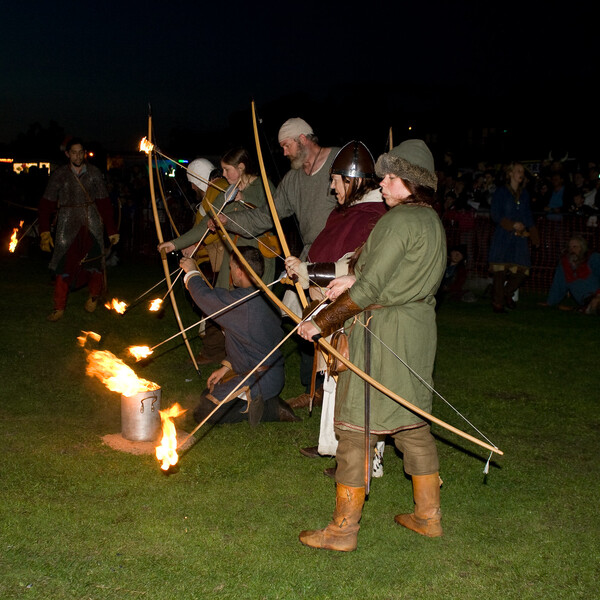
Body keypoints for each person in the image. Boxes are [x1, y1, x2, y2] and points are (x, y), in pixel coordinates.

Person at [296, 139, 446, 552]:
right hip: (416, 330)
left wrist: (320, 324)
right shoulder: (430, 221)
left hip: (384, 334)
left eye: (392, 177)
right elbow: (383, 274)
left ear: (411, 183)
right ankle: (427, 517)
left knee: (356, 428)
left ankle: (343, 531)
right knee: (413, 425)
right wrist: (349, 279)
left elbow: (374, 287)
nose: (383, 183)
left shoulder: (398, 221)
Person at [212, 118, 340, 402]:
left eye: (287, 145)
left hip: (343, 257)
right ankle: (314, 389)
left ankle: (336, 390)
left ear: (304, 139)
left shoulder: (340, 161)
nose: (284, 152)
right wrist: (227, 219)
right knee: (307, 320)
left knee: (339, 328)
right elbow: (265, 216)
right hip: (312, 259)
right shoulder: (293, 180)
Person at [284, 140, 387, 475]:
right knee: (334, 380)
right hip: (337, 309)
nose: (331, 187)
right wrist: (303, 267)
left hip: (363, 313)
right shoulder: (345, 213)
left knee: (358, 384)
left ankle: (366, 461)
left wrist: (307, 271)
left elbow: (355, 268)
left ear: (353, 180)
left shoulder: (376, 217)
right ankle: (333, 445)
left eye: (336, 180)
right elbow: (327, 255)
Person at [159, 149, 277, 363]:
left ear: (241, 167)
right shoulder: (228, 191)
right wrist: (174, 243)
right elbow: (206, 223)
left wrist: (243, 201)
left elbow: (268, 216)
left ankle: (256, 360)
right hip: (233, 257)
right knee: (222, 305)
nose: (222, 174)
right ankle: (231, 357)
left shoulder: (263, 186)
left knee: (254, 309)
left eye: (226, 169)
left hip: (257, 258)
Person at [179, 247, 300, 424]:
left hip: (260, 380)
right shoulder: (266, 297)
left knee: (204, 412)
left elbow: (205, 297)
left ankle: (271, 409)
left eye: (231, 267)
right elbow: (247, 342)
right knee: (206, 395)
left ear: (240, 270)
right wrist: (226, 368)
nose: (230, 272)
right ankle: (264, 402)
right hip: (268, 373)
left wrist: (191, 272)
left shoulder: (242, 302)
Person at [38, 137, 119, 321]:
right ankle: (59, 307)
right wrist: (44, 231)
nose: (77, 155)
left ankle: (93, 296)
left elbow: (104, 202)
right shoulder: (59, 174)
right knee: (63, 265)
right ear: (67, 154)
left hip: (91, 222)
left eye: (80, 152)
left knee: (95, 263)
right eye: (73, 152)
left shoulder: (94, 173)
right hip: (67, 225)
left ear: (84, 153)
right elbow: (47, 203)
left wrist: (112, 230)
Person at [488, 162, 540, 313]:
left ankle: (505, 295)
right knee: (500, 270)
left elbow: (528, 216)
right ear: (510, 173)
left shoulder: (524, 194)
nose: (521, 174)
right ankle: (498, 303)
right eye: (518, 171)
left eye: (522, 171)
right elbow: (495, 214)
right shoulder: (501, 192)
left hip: (519, 238)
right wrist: (511, 225)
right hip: (503, 235)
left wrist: (535, 236)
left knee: (522, 270)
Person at [544, 235, 600, 314]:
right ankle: (583, 309)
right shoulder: (564, 264)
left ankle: (580, 309)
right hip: (586, 300)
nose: (571, 250)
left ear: (582, 248)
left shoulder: (593, 258)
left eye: (575, 247)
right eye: (570, 247)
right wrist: (550, 302)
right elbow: (558, 285)